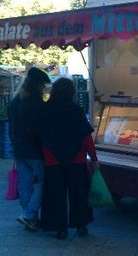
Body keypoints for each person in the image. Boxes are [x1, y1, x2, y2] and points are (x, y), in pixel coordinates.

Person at [32, 78, 99, 239]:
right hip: (76, 159)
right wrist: (94, 157)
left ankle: (59, 227)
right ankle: (81, 225)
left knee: (55, 194)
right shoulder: (76, 110)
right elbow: (85, 137)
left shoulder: (44, 110)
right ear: (71, 92)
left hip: (52, 159)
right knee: (79, 194)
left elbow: (35, 132)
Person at [8, 67, 50, 231]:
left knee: (24, 184)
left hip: (19, 149)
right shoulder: (37, 103)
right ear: (38, 85)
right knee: (42, 182)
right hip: (36, 151)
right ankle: (29, 214)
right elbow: (41, 129)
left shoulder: (15, 101)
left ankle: (29, 218)